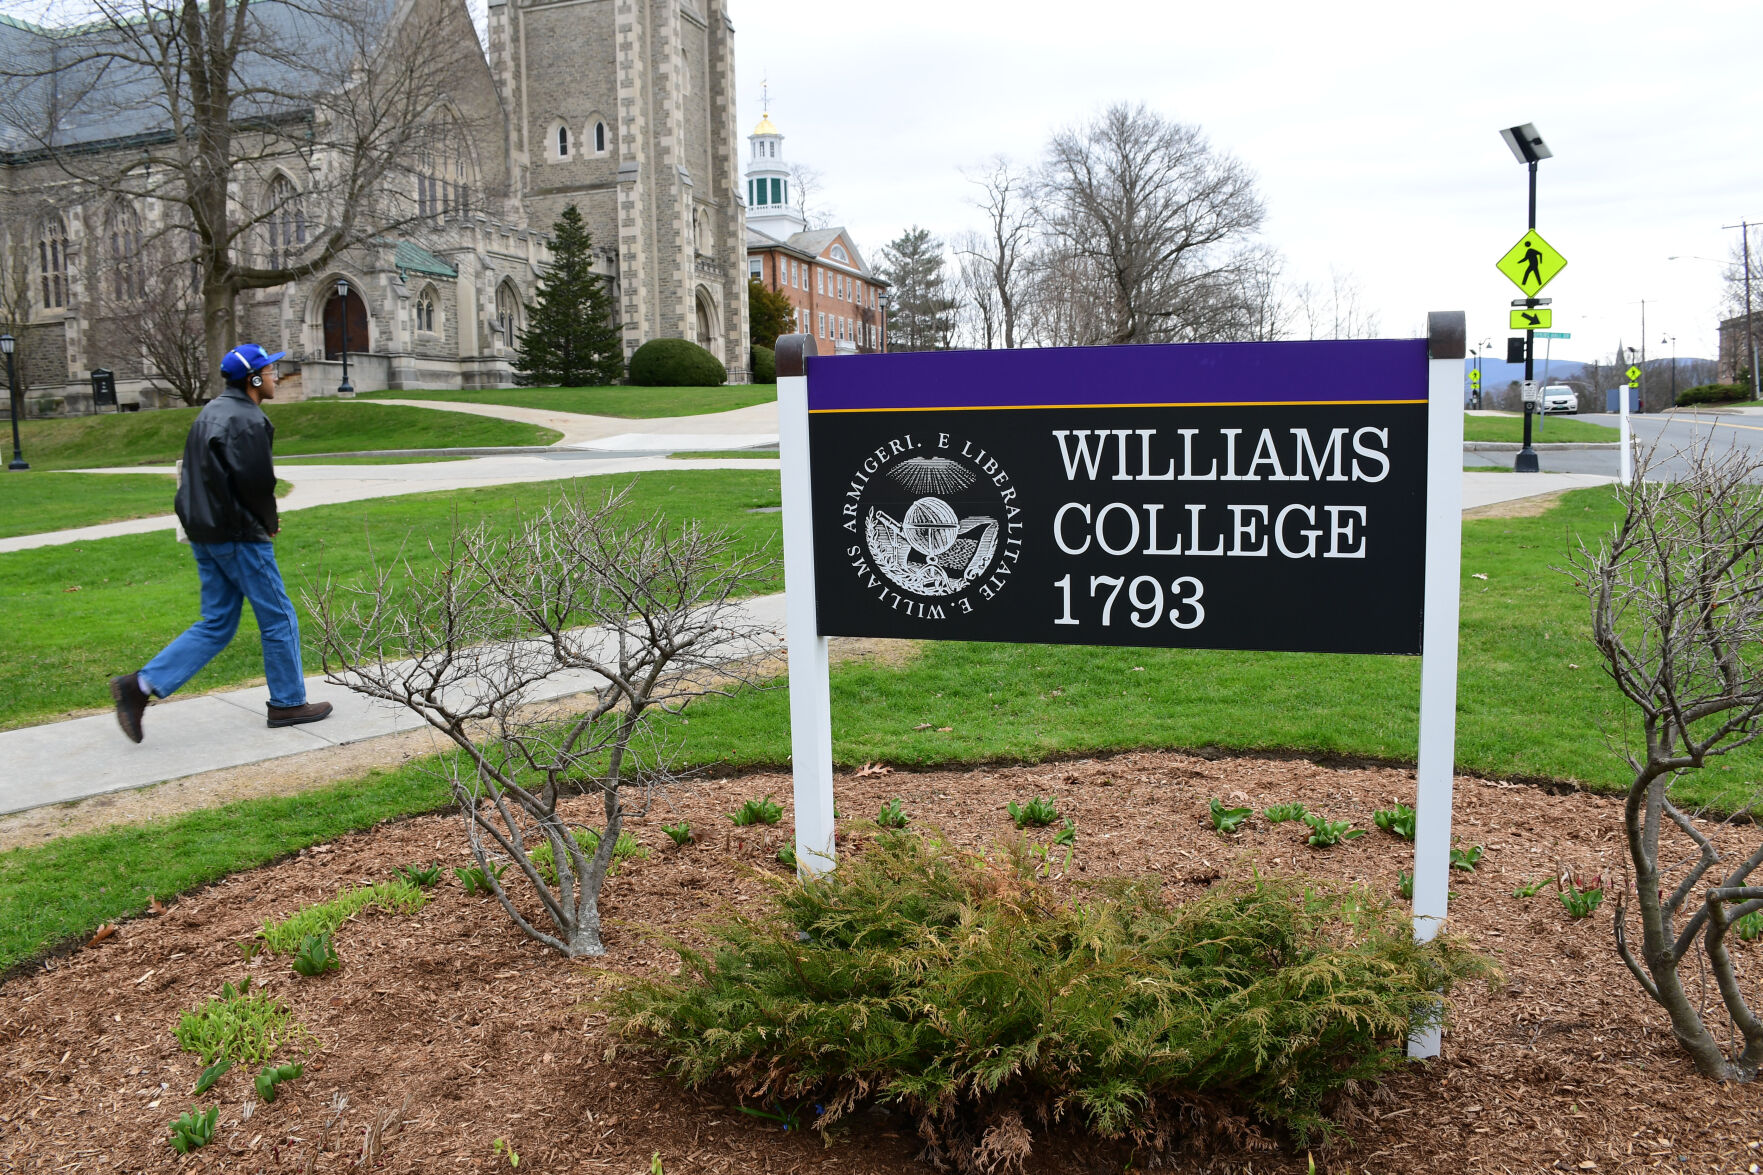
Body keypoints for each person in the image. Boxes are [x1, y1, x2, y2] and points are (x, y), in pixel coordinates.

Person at [109, 344, 332, 742]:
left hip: (204, 533)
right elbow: (257, 484)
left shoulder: (210, 412)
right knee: (279, 616)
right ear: (254, 378)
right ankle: (287, 702)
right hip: (239, 536)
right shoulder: (247, 419)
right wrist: (269, 521)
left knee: (217, 623)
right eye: (270, 370)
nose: (276, 376)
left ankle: (138, 687)